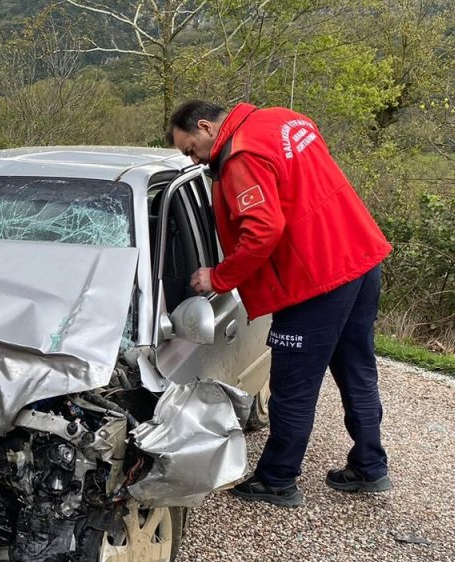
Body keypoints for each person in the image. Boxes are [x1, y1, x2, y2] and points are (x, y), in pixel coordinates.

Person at [166, 99, 393, 508]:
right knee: (357, 368)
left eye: (191, 149)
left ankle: (277, 479)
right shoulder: (284, 119)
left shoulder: (241, 156)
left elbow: (263, 231)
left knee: (292, 385)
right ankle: (370, 466)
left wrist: (219, 277)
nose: (196, 160)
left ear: (205, 126)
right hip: (359, 256)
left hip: (314, 280)